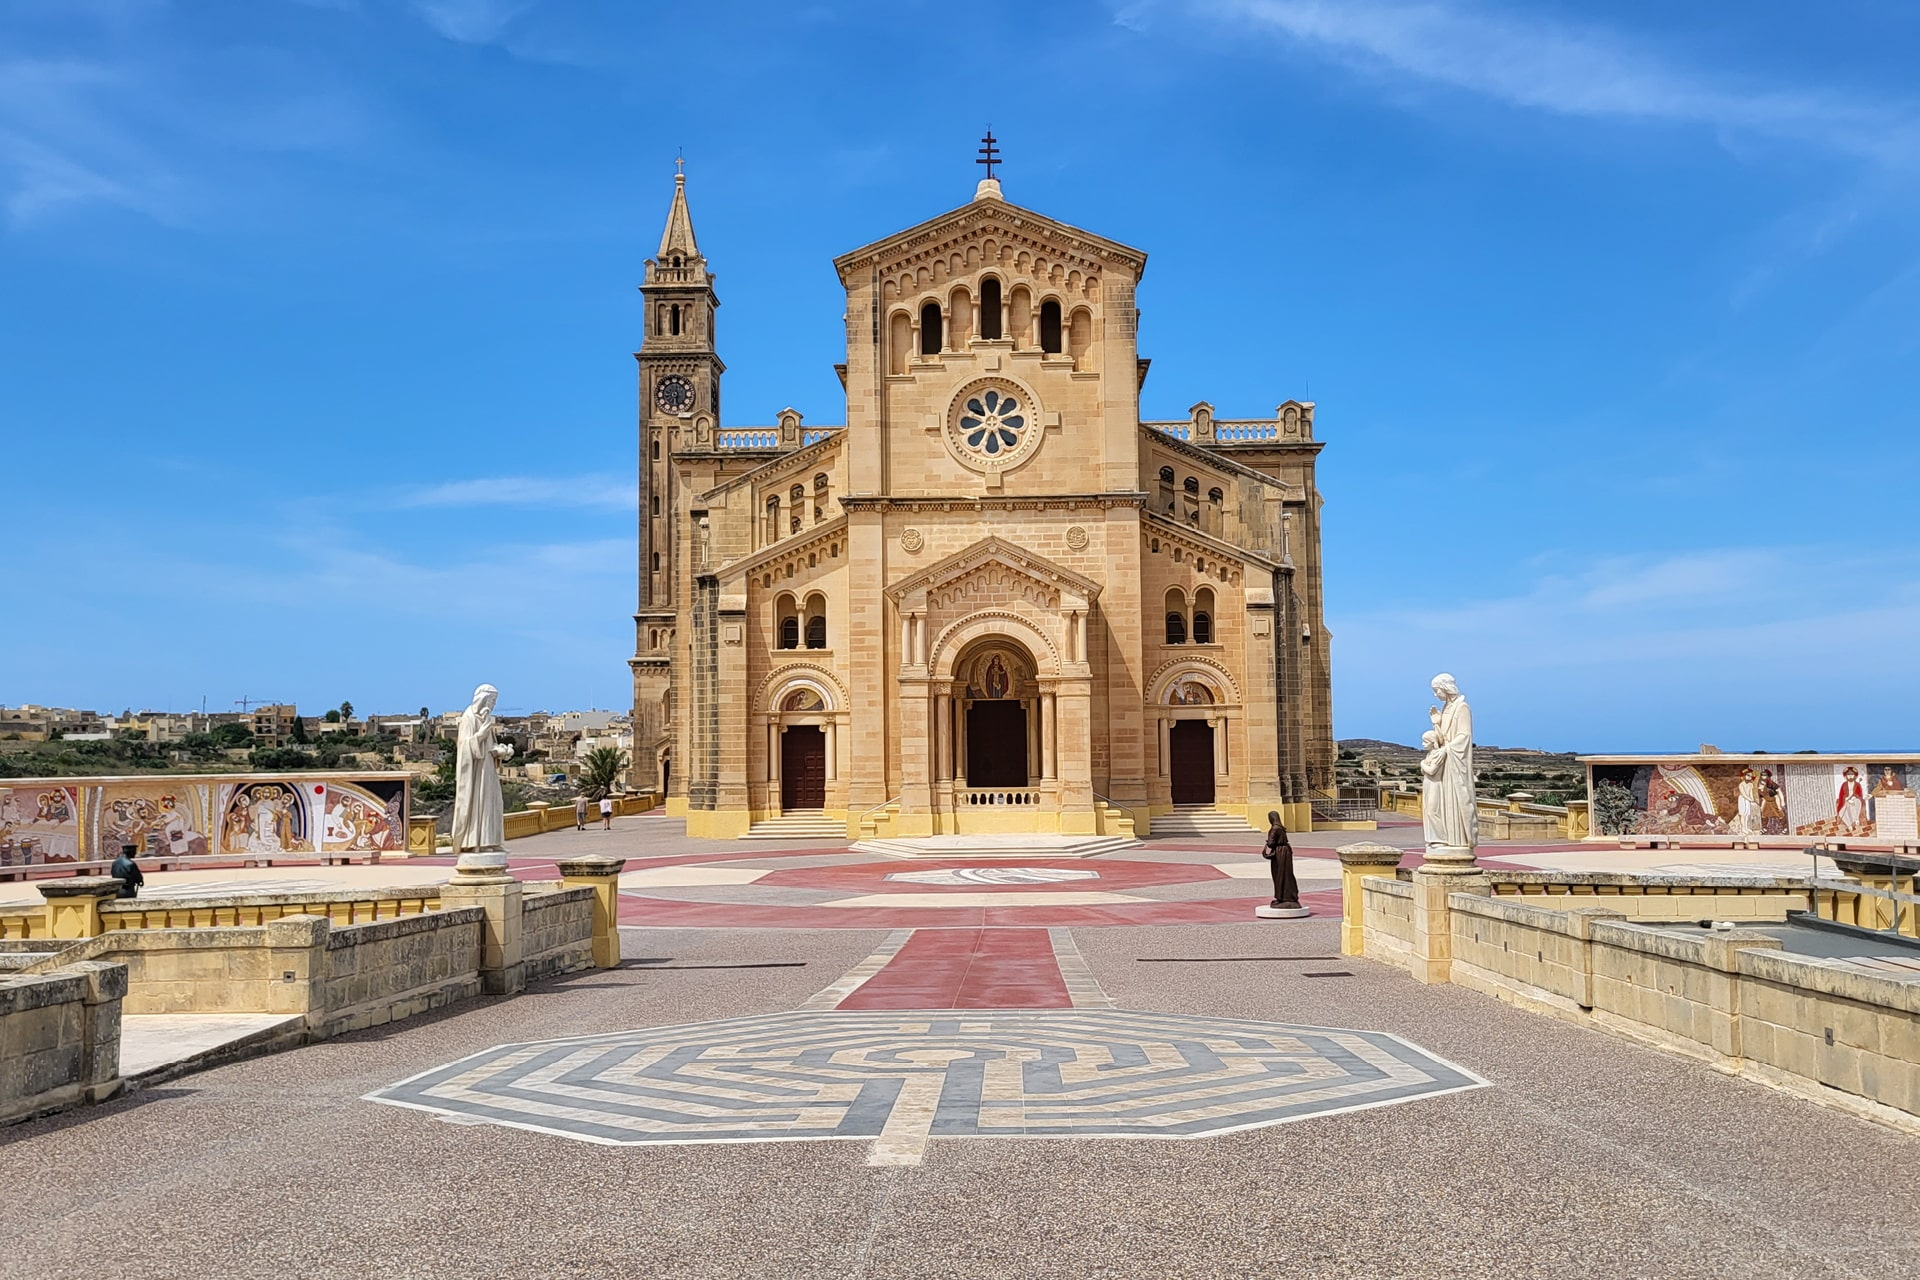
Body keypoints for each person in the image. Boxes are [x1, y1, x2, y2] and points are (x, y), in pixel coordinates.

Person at [1261, 810, 1299, 910]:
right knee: (1286, 874)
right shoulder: (1281, 828)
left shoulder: (1274, 829)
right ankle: (1287, 896)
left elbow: (1271, 843)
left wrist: (1268, 842)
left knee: (1279, 875)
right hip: (1285, 852)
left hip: (1279, 853)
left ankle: (1282, 897)